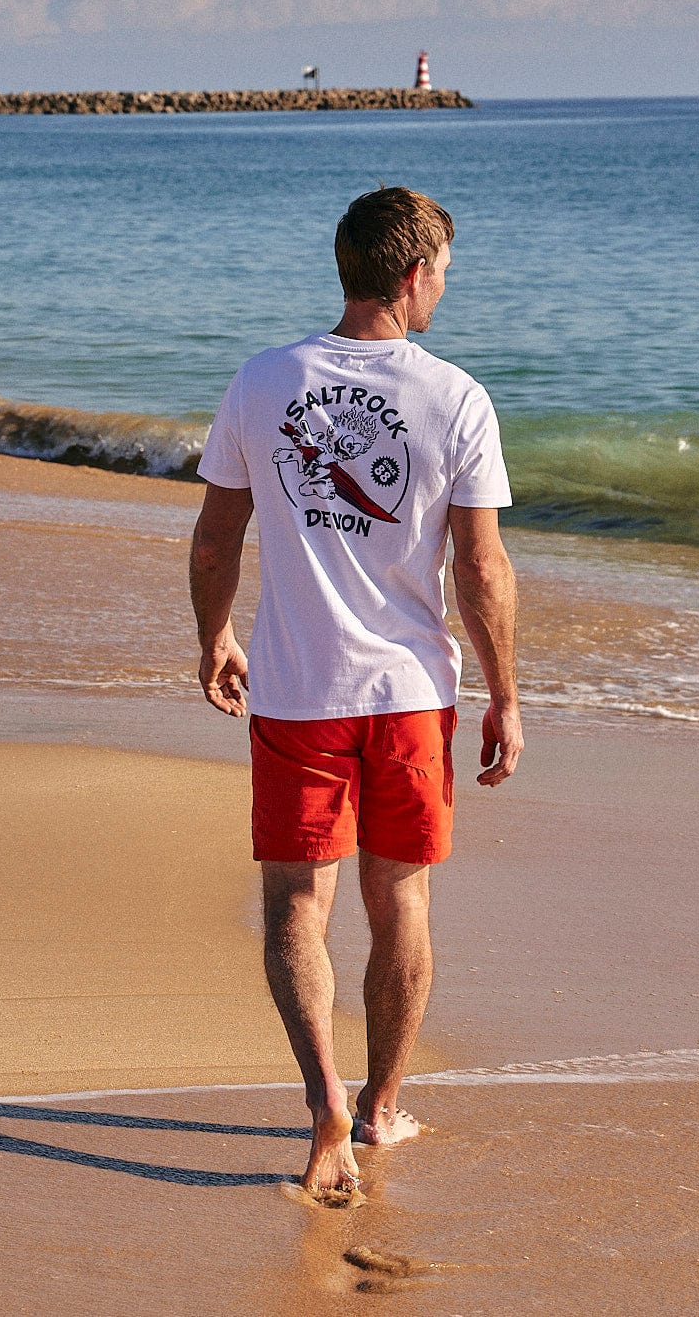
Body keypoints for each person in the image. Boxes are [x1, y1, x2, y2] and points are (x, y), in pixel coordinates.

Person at [190, 186, 522, 1200]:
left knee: (298, 903)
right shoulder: (454, 396)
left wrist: (216, 637)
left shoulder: (262, 380)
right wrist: (506, 694)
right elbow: (480, 569)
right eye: (445, 276)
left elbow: (216, 536)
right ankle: (380, 1107)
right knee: (400, 898)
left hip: (297, 694)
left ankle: (323, 1099)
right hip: (411, 696)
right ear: (413, 276)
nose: (445, 293)